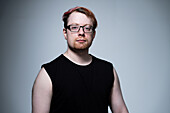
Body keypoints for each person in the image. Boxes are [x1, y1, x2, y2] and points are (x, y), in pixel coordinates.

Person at [32, 6, 129, 113]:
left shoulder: (107, 70)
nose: (81, 32)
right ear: (65, 33)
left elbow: (120, 110)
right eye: (74, 27)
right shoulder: (47, 74)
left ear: (93, 34)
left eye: (87, 28)